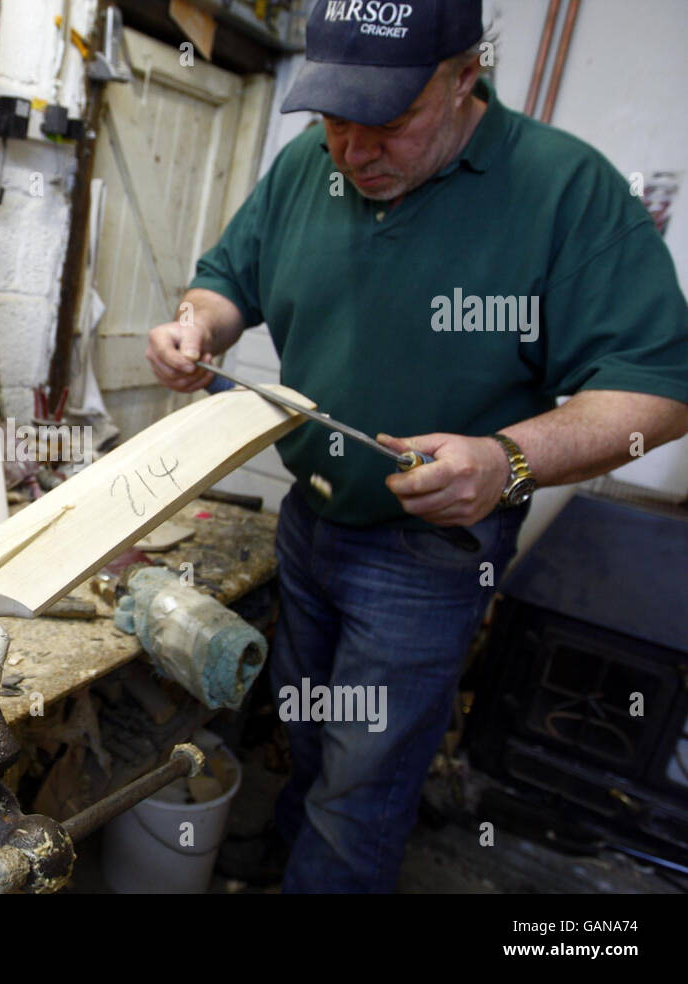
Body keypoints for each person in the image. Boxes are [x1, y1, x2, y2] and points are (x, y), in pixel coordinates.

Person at [147, 0, 688, 892]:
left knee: (365, 780)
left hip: (428, 560)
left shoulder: (566, 191)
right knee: (311, 728)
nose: (354, 153)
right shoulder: (302, 172)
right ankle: (293, 855)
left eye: (390, 122)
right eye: (333, 121)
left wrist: (506, 460)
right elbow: (223, 283)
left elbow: (658, 391)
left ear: (465, 74)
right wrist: (191, 326)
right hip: (308, 525)